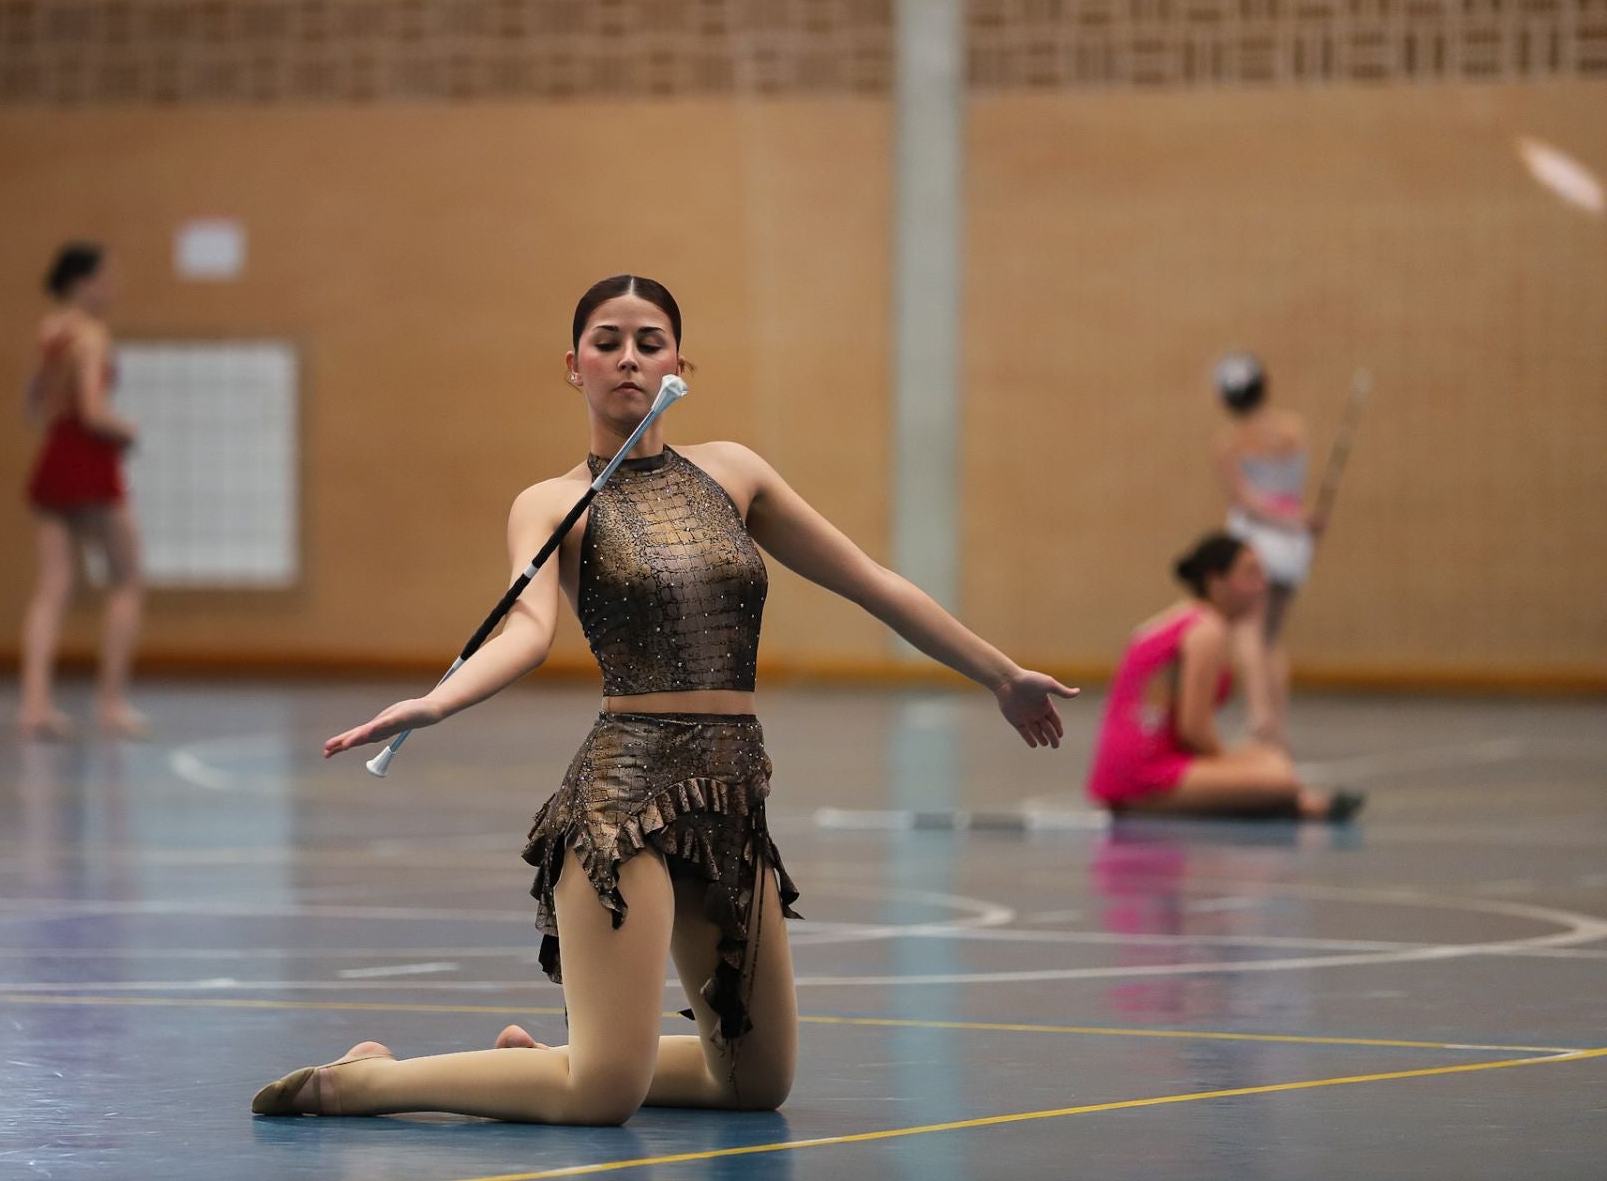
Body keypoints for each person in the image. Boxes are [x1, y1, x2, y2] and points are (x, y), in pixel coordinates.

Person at [251, 273, 1078, 1124]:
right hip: (627, 798)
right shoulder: (550, 503)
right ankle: (359, 1081)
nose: (629, 359)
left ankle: (556, 1063)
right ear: (573, 365)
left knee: (755, 1083)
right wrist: (434, 703)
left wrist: (1001, 676)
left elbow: (872, 583)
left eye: (650, 342)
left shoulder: (735, 473)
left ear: (681, 362)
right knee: (605, 1096)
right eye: (607, 342)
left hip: (730, 796)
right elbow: (528, 635)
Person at [1086, 530, 1362, 822]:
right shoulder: (1207, 630)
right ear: (1217, 583)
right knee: (1278, 776)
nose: (1262, 585)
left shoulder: (1189, 619)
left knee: (1268, 759)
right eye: (1250, 574)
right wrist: (1231, 767)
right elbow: (1193, 729)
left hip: (1135, 767)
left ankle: (1295, 802)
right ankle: (1298, 804)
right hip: (1141, 775)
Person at [17, 242, 148, 741]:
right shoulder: (91, 335)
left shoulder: (50, 331)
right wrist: (127, 429)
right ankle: (110, 702)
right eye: (106, 277)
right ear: (83, 281)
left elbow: (33, 405)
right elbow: (93, 411)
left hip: (54, 455)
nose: (112, 286)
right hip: (89, 460)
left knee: (53, 585)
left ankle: (34, 703)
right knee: (128, 579)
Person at [1211, 352, 1322, 742]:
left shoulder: (1231, 443)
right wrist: (1298, 522)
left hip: (1256, 542)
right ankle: (1277, 727)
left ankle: (1260, 719)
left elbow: (1248, 502)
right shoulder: (1294, 429)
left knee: (1247, 631)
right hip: (1293, 543)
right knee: (1272, 637)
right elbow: (1293, 491)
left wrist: (1284, 521)